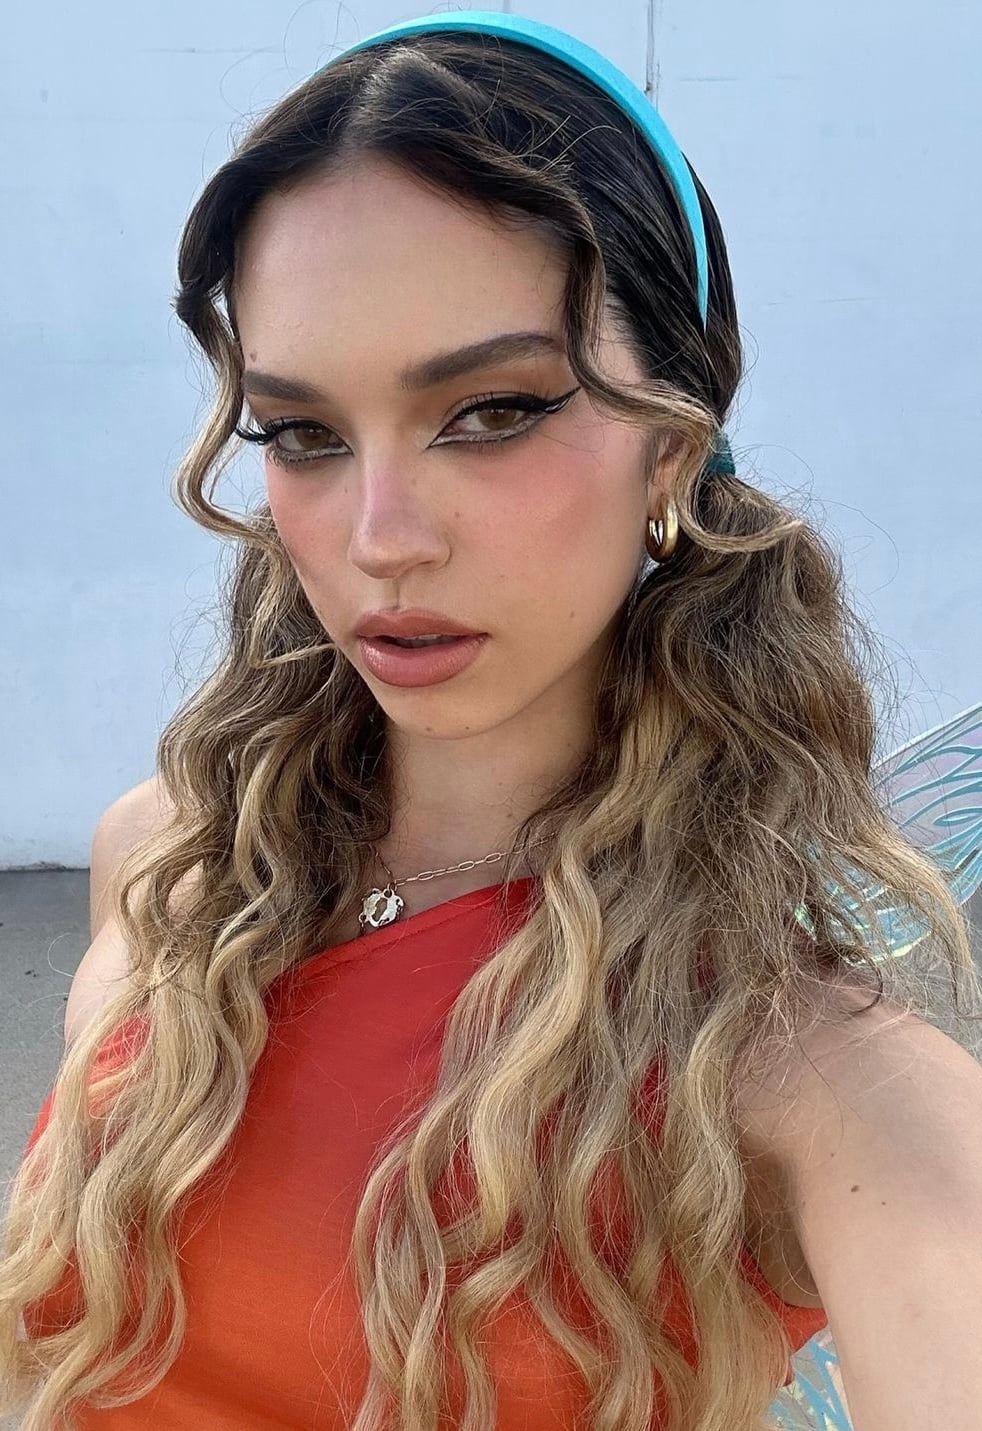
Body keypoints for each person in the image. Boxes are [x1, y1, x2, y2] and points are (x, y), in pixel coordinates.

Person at [3, 13, 982, 1431]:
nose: (380, 538)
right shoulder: (169, 863)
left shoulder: (796, 1071)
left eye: (492, 411)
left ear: (672, 445)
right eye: (304, 434)